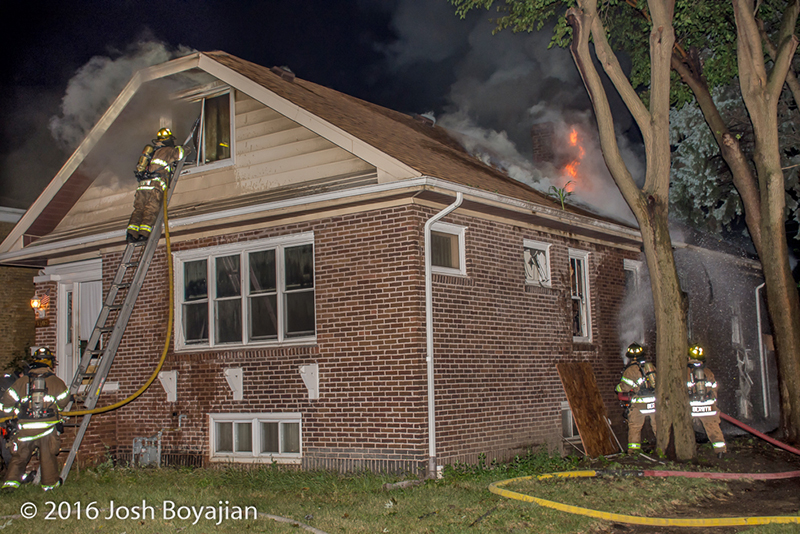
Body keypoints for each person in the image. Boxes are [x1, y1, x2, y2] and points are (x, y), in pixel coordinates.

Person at [0, 348, 70, 491]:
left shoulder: (21, 382)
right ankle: (50, 485)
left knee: (19, 457)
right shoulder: (57, 382)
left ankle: (10, 484)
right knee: (47, 457)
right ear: (51, 363)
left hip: (25, 429)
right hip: (47, 429)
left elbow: (6, 402)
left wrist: (14, 414)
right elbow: (63, 402)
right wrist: (56, 410)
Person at [126, 127, 185, 243]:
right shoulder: (168, 150)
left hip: (143, 186)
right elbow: (180, 154)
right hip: (155, 185)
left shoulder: (152, 152)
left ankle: (131, 234)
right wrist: (183, 147)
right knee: (151, 209)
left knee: (139, 210)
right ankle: (143, 234)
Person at [616, 342, 657, 454]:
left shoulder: (630, 370)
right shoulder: (651, 367)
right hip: (654, 402)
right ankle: (663, 449)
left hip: (640, 403)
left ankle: (634, 452)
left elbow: (625, 387)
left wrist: (617, 388)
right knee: (657, 426)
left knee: (635, 426)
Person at [687, 343, 727, 457]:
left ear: (689, 358)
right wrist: (713, 403)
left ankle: (688, 452)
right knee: (714, 429)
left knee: (685, 429)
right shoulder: (708, 372)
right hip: (708, 407)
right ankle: (720, 451)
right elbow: (714, 389)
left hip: (691, 407)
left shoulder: (685, 372)